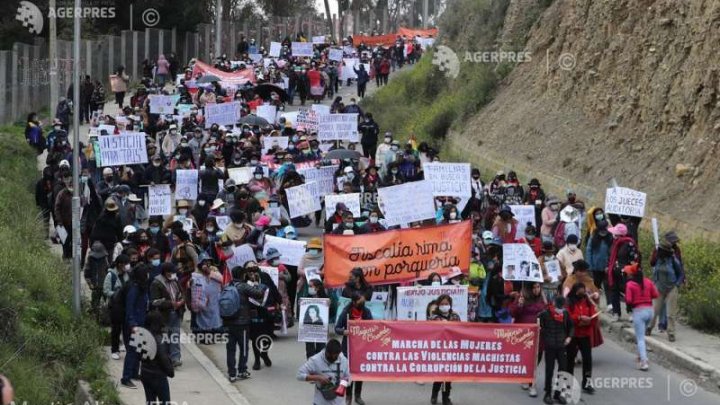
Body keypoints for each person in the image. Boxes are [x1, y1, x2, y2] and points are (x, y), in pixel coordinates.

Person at [224, 265, 268, 382]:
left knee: (230, 349)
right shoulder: (244, 287)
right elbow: (259, 294)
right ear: (243, 275)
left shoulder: (227, 286)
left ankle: (231, 373)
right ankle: (242, 370)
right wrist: (260, 284)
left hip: (228, 322)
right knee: (243, 348)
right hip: (242, 323)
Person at [335, 292, 372, 405]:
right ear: (354, 302)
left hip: (361, 346)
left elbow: (372, 325)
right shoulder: (346, 312)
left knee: (359, 371)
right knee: (348, 372)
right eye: (360, 301)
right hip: (348, 346)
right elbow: (337, 328)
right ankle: (348, 396)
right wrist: (343, 331)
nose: (363, 303)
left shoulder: (366, 311)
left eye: (363, 300)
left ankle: (358, 396)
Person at [510, 283, 546, 398]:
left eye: (538, 287)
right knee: (527, 359)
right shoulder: (521, 297)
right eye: (534, 288)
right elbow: (512, 313)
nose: (536, 290)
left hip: (539, 333)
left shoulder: (542, 298)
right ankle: (531, 384)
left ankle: (529, 379)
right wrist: (519, 305)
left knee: (537, 358)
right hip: (525, 335)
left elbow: (547, 311)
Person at [538, 296, 573, 405]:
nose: (561, 309)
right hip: (550, 346)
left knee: (563, 370)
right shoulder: (545, 313)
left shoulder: (565, 314)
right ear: (553, 304)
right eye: (559, 307)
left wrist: (569, 337)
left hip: (562, 346)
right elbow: (538, 325)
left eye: (562, 307)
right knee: (549, 370)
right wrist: (543, 333)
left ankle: (558, 394)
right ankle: (547, 394)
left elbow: (571, 327)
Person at [149, 263, 185, 368]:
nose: (173, 274)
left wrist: (182, 301)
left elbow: (181, 293)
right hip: (164, 315)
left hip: (176, 313)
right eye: (171, 272)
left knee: (175, 335)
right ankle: (165, 359)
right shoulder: (156, 283)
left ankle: (175, 358)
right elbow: (154, 301)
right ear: (166, 272)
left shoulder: (175, 280)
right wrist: (171, 303)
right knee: (165, 337)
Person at [624, 263, 658, 371]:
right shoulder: (648, 281)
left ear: (632, 274)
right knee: (642, 335)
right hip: (650, 311)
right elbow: (655, 295)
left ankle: (644, 362)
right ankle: (640, 356)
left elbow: (629, 300)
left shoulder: (630, 285)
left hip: (639, 312)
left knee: (640, 338)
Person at [648, 239, 684, 342]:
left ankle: (671, 333)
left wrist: (677, 285)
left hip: (671, 288)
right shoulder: (657, 259)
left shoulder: (673, 260)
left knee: (670, 313)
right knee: (655, 310)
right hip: (659, 288)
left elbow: (680, 273)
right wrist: (654, 252)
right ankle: (649, 328)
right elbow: (652, 263)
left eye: (661, 250)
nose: (660, 251)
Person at [121, 264, 150, 389]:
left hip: (141, 323)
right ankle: (126, 378)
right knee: (132, 352)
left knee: (138, 350)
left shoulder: (142, 287)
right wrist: (133, 324)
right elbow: (130, 309)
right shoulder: (134, 289)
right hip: (133, 325)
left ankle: (134, 373)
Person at [564, 282, 597, 394]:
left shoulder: (587, 301)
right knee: (570, 360)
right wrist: (579, 318)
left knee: (587, 360)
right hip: (573, 335)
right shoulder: (569, 302)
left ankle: (586, 383)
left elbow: (594, 314)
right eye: (579, 291)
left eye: (583, 291)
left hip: (585, 335)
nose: (582, 293)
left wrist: (589, 320)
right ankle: (568, 383)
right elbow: (567, 317)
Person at [296, 339, 350, 405]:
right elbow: (299, 375)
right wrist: (317, 378)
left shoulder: (344, 360)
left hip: (339, 402)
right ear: (326, 351)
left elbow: (349, 377)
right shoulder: (315, 360)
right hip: (320, 401)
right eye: (330, 356)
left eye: (335, 357)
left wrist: (342, 384)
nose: (332, 359)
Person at [429, 294, 460, 405]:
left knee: (448, 375)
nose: (444, 306)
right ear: (438, 305)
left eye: (446, 304)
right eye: (442, 304)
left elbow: (461, 331)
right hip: (438, 349)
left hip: (451, 349)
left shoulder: (455, 316)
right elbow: (429, 332)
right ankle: (434, 394)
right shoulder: (433, 317)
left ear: (450, 304)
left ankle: (446, 398)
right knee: (439, 374)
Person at [140, 310, 175, 404]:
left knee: (150, 401)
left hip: (145, 373)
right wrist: (170, 371)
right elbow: (163, 358)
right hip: (158, 375)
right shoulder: (159, 339)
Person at [607, 223, 639, 322]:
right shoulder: (615, 243)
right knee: (614, 292)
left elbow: (634, 259)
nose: (614, 235)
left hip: (626, 273)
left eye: (616, 234)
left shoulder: (630, 244)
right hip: (614, 272)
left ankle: (632, 312)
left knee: (628, 293)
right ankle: (616, 313)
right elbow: (611, 256)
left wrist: (629, 270)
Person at [104, 254, 130, 360]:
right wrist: (117, 294)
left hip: (125, 305)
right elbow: (106, 291)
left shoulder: (127, 275)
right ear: (120, 264)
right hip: (115, 306)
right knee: (116, 328)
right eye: (125, 264)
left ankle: (124, 344)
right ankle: (114, 349)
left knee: (126, 327)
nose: (127, 266)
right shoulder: (111, 275)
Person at [585, 220, 612, 308]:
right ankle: (594, 303)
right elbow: (589, 251)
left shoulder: (610, 237)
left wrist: (609, 265)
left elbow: (612, 252)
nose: (603, 233)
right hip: (595, 267)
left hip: (606, 267)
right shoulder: (593, 237)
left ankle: (609, 304)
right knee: (596, 286)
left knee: (607, 285)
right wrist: (590, 265)